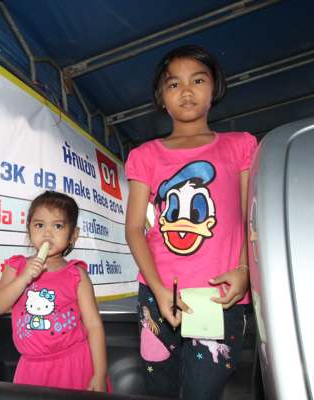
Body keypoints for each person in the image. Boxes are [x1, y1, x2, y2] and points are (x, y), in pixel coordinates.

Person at [124, 44, 257, 400]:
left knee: (203, 392)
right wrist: (158, 289)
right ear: (161, 98)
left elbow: (251, 217)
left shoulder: (241, 146)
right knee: (160, 389)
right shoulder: (145, 155)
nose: (186, 91)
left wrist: (244, 270)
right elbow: (135, 228)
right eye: (174, 84)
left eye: (197, 80)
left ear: (215, 87)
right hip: (158, 294)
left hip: (219, 298)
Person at [0, 190, 111, 392]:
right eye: (39, 225)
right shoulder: (16, 267)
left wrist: (99, 374)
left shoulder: (77, 274)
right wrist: (23, 278)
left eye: (57, 226)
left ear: (73, 235)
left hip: (75, 363)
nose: (47, 233)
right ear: (29, 230)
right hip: (32, 369)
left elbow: (93, 325)